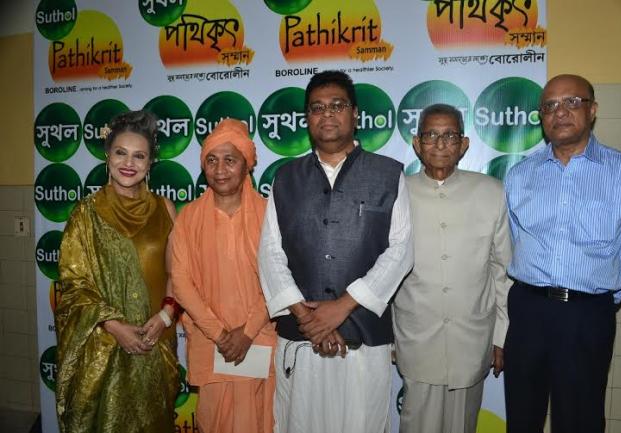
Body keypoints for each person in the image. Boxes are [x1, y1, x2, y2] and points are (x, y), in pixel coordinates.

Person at [258, 70, 414, 433]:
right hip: (302, 339)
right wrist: (309, 320)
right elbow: (270, 254)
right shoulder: (286, 178)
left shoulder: (388, 174)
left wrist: (341, 307)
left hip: (364, 337)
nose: (326, 114)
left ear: (355, 114)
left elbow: (401, 250)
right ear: (307, 118)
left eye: (337, 105)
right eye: (317, 108)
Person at [503, 74, 621, 433]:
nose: (560, 112)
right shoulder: (520, 174)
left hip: (587, 316)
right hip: (527, 311)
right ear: (541, 116)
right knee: (522, 416)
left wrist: (599, 299)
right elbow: (514, 240)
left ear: (592, 110)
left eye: (572, 102)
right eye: (550, 105)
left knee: (580, 420)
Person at [55, 110, 179, 433]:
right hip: (105, 348)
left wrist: (165, 317)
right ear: (107, 156)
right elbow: (74, 285)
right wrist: (114, 326)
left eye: (139, 156)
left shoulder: (165, 209)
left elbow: (177, 273)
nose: (129, 163)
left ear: (150, 163)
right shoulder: (85, 215)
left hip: (155, 343)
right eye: (121, 153)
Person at [393, 104, 511, 433]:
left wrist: (502, 336)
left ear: (464, 144)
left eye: (450, 135)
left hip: (471, 339)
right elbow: (384, 269)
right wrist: (389, 338)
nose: (440, 143)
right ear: (417, 143)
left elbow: (503, 271)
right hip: (416, 336)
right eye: (431, 135)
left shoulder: (491, 192)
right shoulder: (397, 193)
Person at [171, 118, 276, 433]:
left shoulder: (270, 215)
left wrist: (247, 331)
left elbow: (279, 278)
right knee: (214, 420)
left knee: (262, 420)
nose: (220, 170)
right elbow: (181, 283)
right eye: (212, 160)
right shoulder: (188, 217)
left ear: (247, 165)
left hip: (259, 339)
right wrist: (220, 334)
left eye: (230, 160)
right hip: (211, 343)